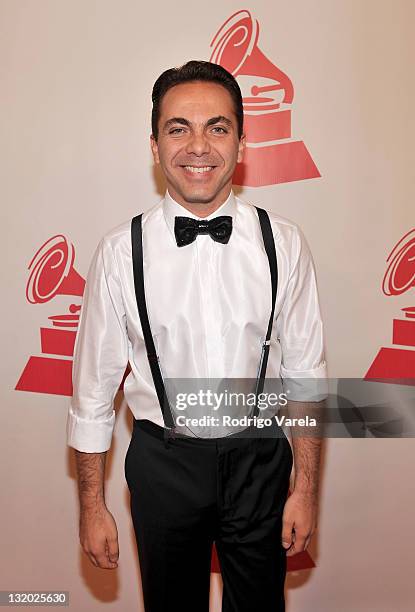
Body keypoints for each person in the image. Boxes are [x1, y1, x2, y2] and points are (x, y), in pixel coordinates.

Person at [67, 60, 327, 611]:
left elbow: (306, 379)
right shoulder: (120, 252)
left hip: (260, 461)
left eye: (218, 126)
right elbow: (93, 394)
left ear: (241, 142)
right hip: (165, 465)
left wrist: (304, 490)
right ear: (156, 145)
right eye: (178, 128)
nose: (198, 146)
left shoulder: (284, 243)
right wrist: (92, 505)